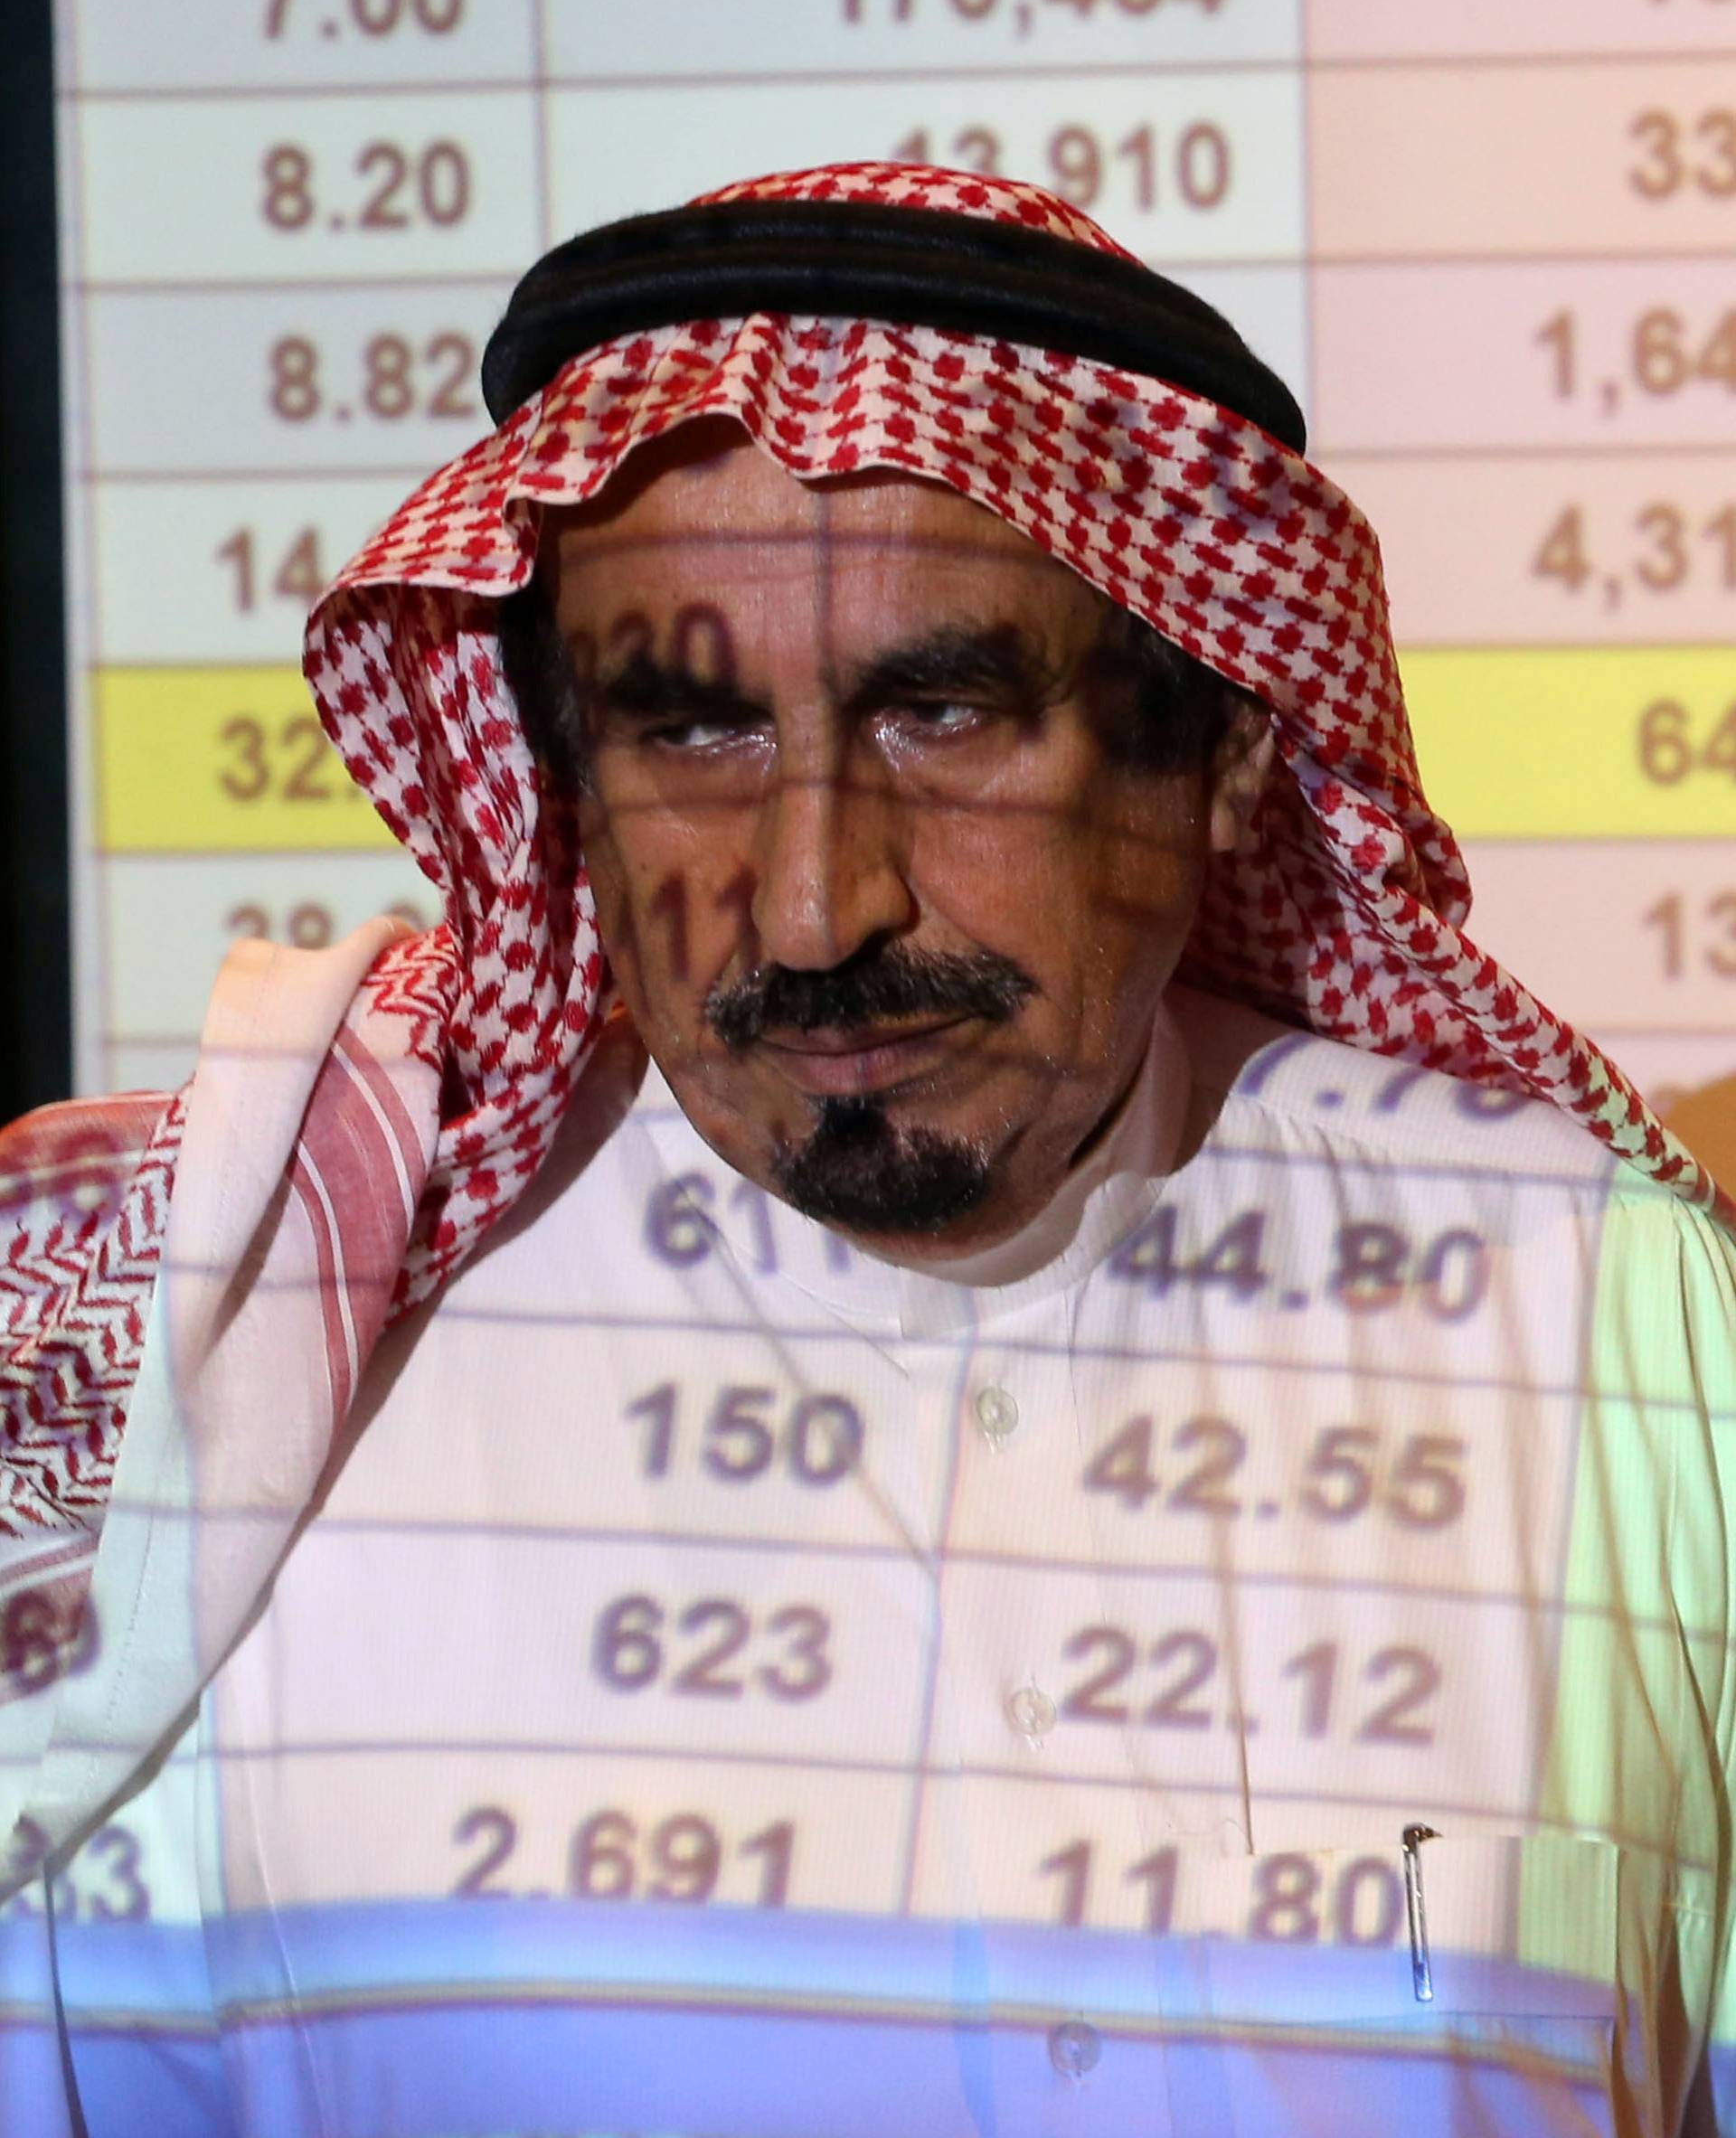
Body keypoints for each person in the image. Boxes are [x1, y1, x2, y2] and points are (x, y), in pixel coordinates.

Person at [2, 159, 1733, 2137]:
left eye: (943, 716)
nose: (815, 906)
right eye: (691, 733)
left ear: (1228, 754)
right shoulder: (213, 1357)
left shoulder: (1609, 1313)